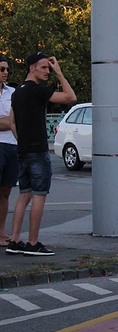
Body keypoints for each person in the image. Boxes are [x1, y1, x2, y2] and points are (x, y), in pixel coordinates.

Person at [5, 52, 76, 256]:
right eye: (44, 67)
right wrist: (60, 73)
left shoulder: (17, 92)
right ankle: (33, 243)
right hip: (37, 150)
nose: (47, 71)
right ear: (32, 68)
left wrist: (22, 141)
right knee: (39, 195)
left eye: (49, 67)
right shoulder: (37, 91)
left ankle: (15, 240)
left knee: (24, 194)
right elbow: (71, 97)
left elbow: (11, 122)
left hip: (22, 150)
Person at [0, 55, 18, 247]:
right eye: (1, 69)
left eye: (6, 69)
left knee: (5, 190)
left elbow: (16, 119)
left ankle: (1, 231)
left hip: (12, 146)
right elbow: (10, 121)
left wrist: (7, 121)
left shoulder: (13, 92)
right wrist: (9, 121)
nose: (5, 72)